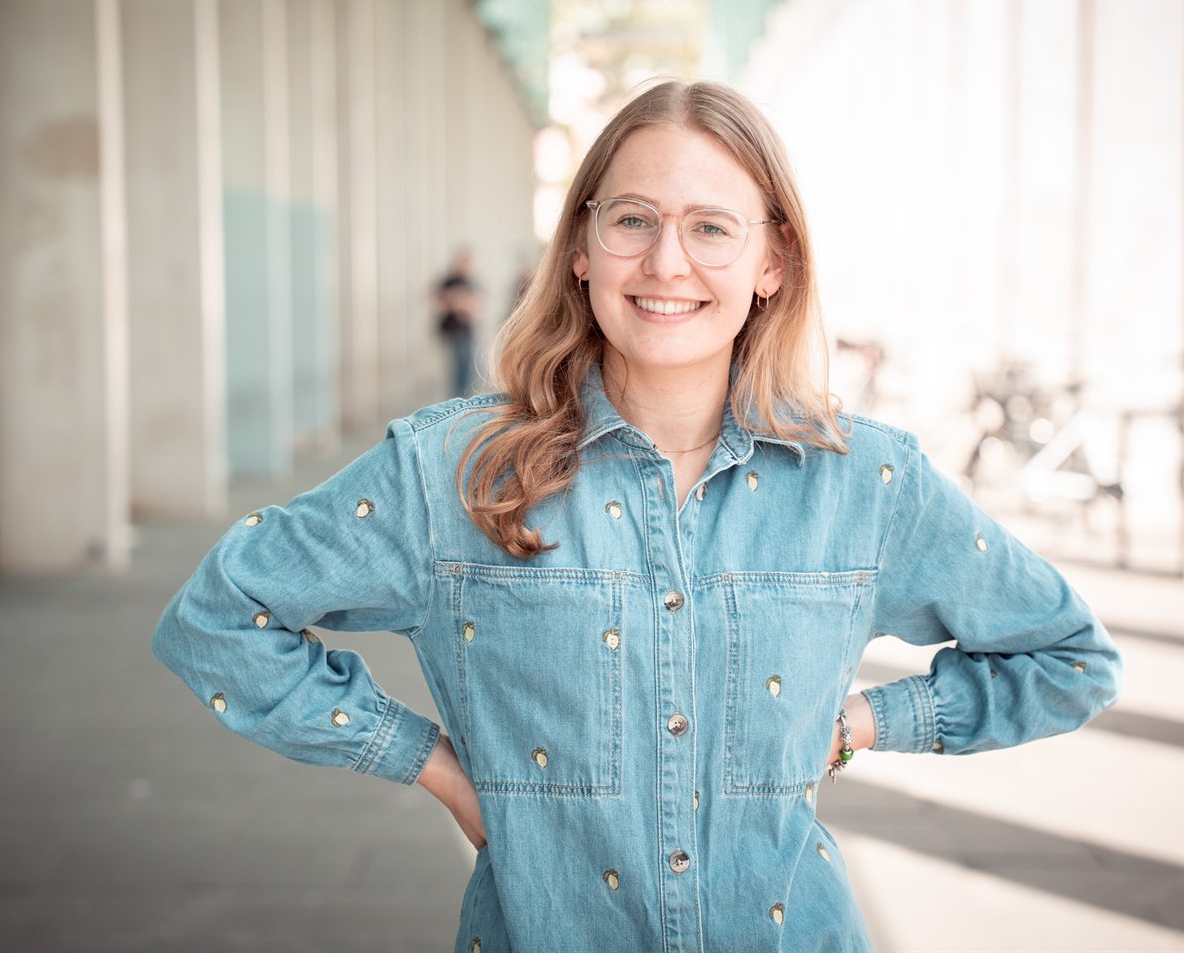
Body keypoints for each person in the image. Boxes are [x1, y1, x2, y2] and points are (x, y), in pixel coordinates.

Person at [153, 80, 1122, 952]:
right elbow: (220, 618)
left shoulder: (864, 481)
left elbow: (1069, 656)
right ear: (580, 246)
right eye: (632, 220)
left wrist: (866, 719)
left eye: (712, 227)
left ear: (774, 258)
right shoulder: (450, 471)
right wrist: (438, 769)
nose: (666, 262)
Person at [436, 248, 480, 396]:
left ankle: (464, 396)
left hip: (467, 329)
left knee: (470, 365)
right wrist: (458, 303)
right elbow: (442, 302)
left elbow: (475, 305)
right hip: (453, 329)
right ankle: (457, 397)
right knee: (459, 365)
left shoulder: (469, 281)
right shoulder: (449, 281)